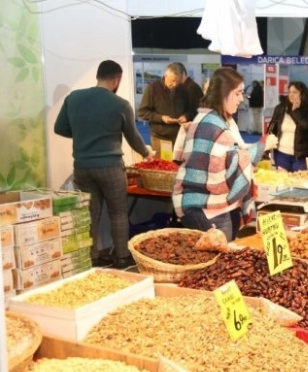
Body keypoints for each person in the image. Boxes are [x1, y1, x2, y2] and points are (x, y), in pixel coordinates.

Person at [54, 60, 154, 269]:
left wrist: (82, 135)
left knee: (91, 212)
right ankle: (121, 257)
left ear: (98, 76)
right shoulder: (120, 104)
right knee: (118, 212)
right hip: (110, 167)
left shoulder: (73, 99)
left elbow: (60, 128)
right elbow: (133, 137)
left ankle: (92, 256)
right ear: (116, 79)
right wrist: (147, 153)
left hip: (82, 167)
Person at [173, 68, 278, 240]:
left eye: (242, 93)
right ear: (223, 93)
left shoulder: (218, 120)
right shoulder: (211, 124)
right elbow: (232, 160)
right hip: (206, 207)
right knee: (217, 261)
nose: (241, 99)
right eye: (237, 93)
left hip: (219, 206)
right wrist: (262, 146)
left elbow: (230, 153)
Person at [268, 82, 308, 172]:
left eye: (295, 92)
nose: (291, 95)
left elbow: (306, 127)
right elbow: (272, 129)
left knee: (299, 182)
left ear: (302, 94)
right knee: (282, 182)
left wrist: (295, 111)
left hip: (301, 155)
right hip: (281, 154)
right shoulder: (280, 108)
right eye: (290, 92)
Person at [138, 63, 189, 155]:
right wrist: (161, 118)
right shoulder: (152, 88)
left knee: (178, 166)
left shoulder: (183, 89)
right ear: (165, 75)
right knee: (164, 166)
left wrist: (186, 116)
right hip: (161, 138)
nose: (174, 84)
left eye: (178, 81)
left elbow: (191, 110)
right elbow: (142, 112)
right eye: (172, 81)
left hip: (179, 136)